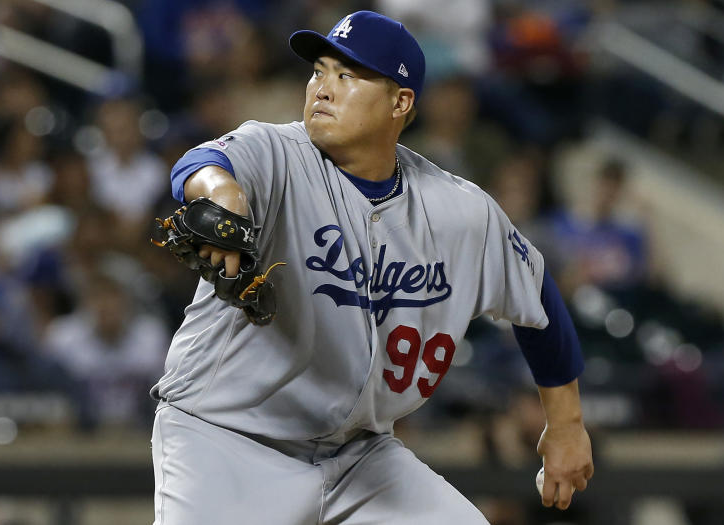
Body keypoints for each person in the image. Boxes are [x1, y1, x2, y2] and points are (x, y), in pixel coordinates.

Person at [151, 11, 593, 524]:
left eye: (348, 76)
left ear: (401, 102)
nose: (322, 88)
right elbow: (202, 166)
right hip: (226, 438)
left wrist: (565, 425)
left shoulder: (458, 211)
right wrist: (223, 197)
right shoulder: (278, 152)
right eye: (319, 70)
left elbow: (537, 298)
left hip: (357, 455)